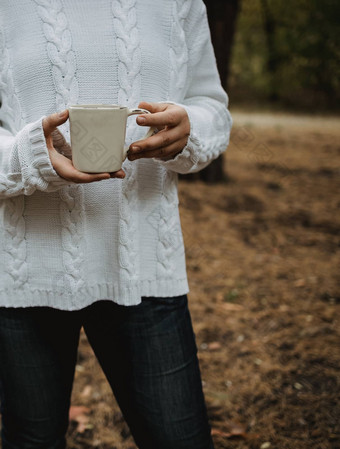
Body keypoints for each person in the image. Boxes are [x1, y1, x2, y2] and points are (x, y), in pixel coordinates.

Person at [0, 1, 232, 448]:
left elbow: (212, 107)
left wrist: (190, 127)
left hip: (145, 269)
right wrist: (26, 157)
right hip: (26, 271)